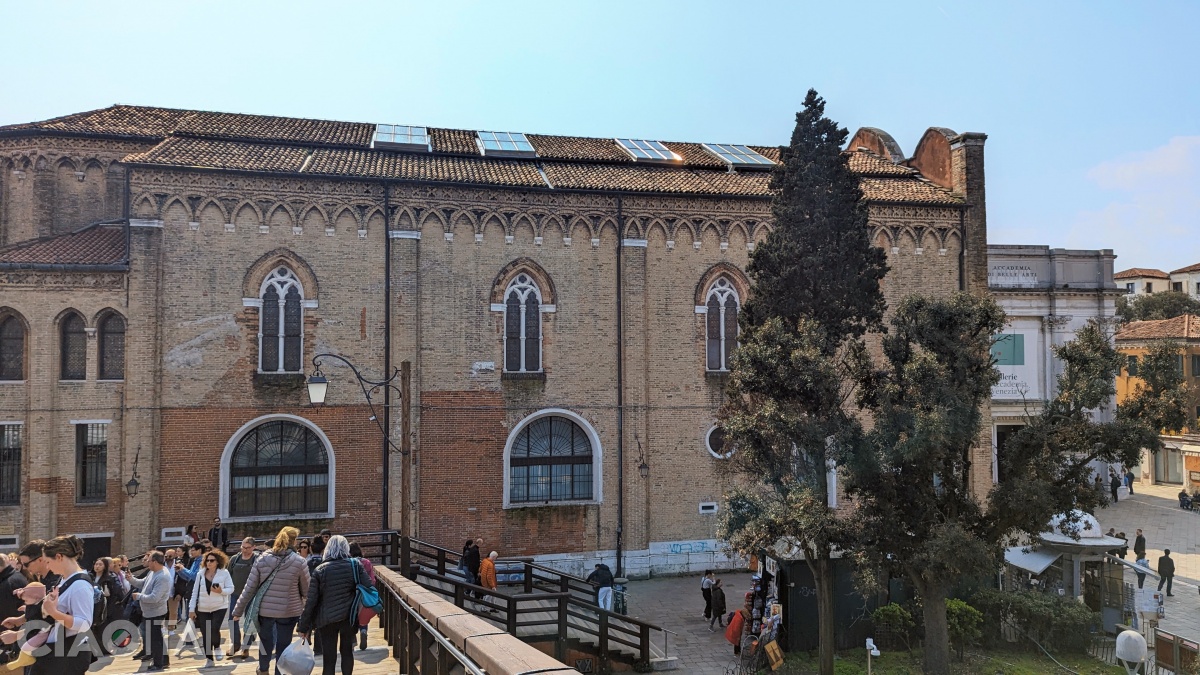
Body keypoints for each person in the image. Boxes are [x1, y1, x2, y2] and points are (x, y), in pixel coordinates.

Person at [233, 526, 309, 675]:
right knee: (283, 645)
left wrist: (238, 610)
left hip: (265, 611)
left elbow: (250, 587)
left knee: (265, 643)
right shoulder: (299, 561)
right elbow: (307, 590)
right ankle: (278, 672)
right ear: (294, 541)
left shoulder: (262, 559)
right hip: (289, 611)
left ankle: (263, 670)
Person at [25, 536, 94, 675]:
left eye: (48, 562)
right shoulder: (65, 580)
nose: (47, 567)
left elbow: (84, 623)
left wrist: (54, 612)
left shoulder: (80, 585)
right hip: (59, 651)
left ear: (59, 557)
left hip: (68, 653)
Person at [300, 536, 360, 675]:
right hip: (349, 616)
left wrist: (304, 626)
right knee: (347, 652)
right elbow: (367, 587)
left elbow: (312, 600)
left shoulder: (320, 569)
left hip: (326, 619)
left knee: (329, 657)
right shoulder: (355, 565)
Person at [189, 549, 234, 667]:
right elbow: (194, 592)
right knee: (205, 633)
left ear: (218, 562)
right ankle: (209, 659)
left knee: (214, 628)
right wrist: (191, 609)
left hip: (219, 606)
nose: (209, 563)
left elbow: (231, 588)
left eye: (212, 560)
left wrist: (221, 591)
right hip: (203, 608)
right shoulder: (200, 574)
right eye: (207, 560)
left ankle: (217, 647)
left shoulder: (224, 573)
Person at [227, 537, 260, 659]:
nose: (244, 550)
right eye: (243, 547)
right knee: (232, 618)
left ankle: (246, 647)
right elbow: (228, 574)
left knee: (250, 621)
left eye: (247, 548)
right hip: (235, 594)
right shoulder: (235, 559)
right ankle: (235, 643)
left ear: (253, 547)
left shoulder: (257, 559)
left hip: (252, 595)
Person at [348, 542, 376, 651]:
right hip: (364, 592)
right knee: (364, 614)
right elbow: (372, 580)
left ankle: (352, 638)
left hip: (351, 593)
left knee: (351, 615)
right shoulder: (366, 562)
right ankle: (363, 631)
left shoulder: (348, 563)